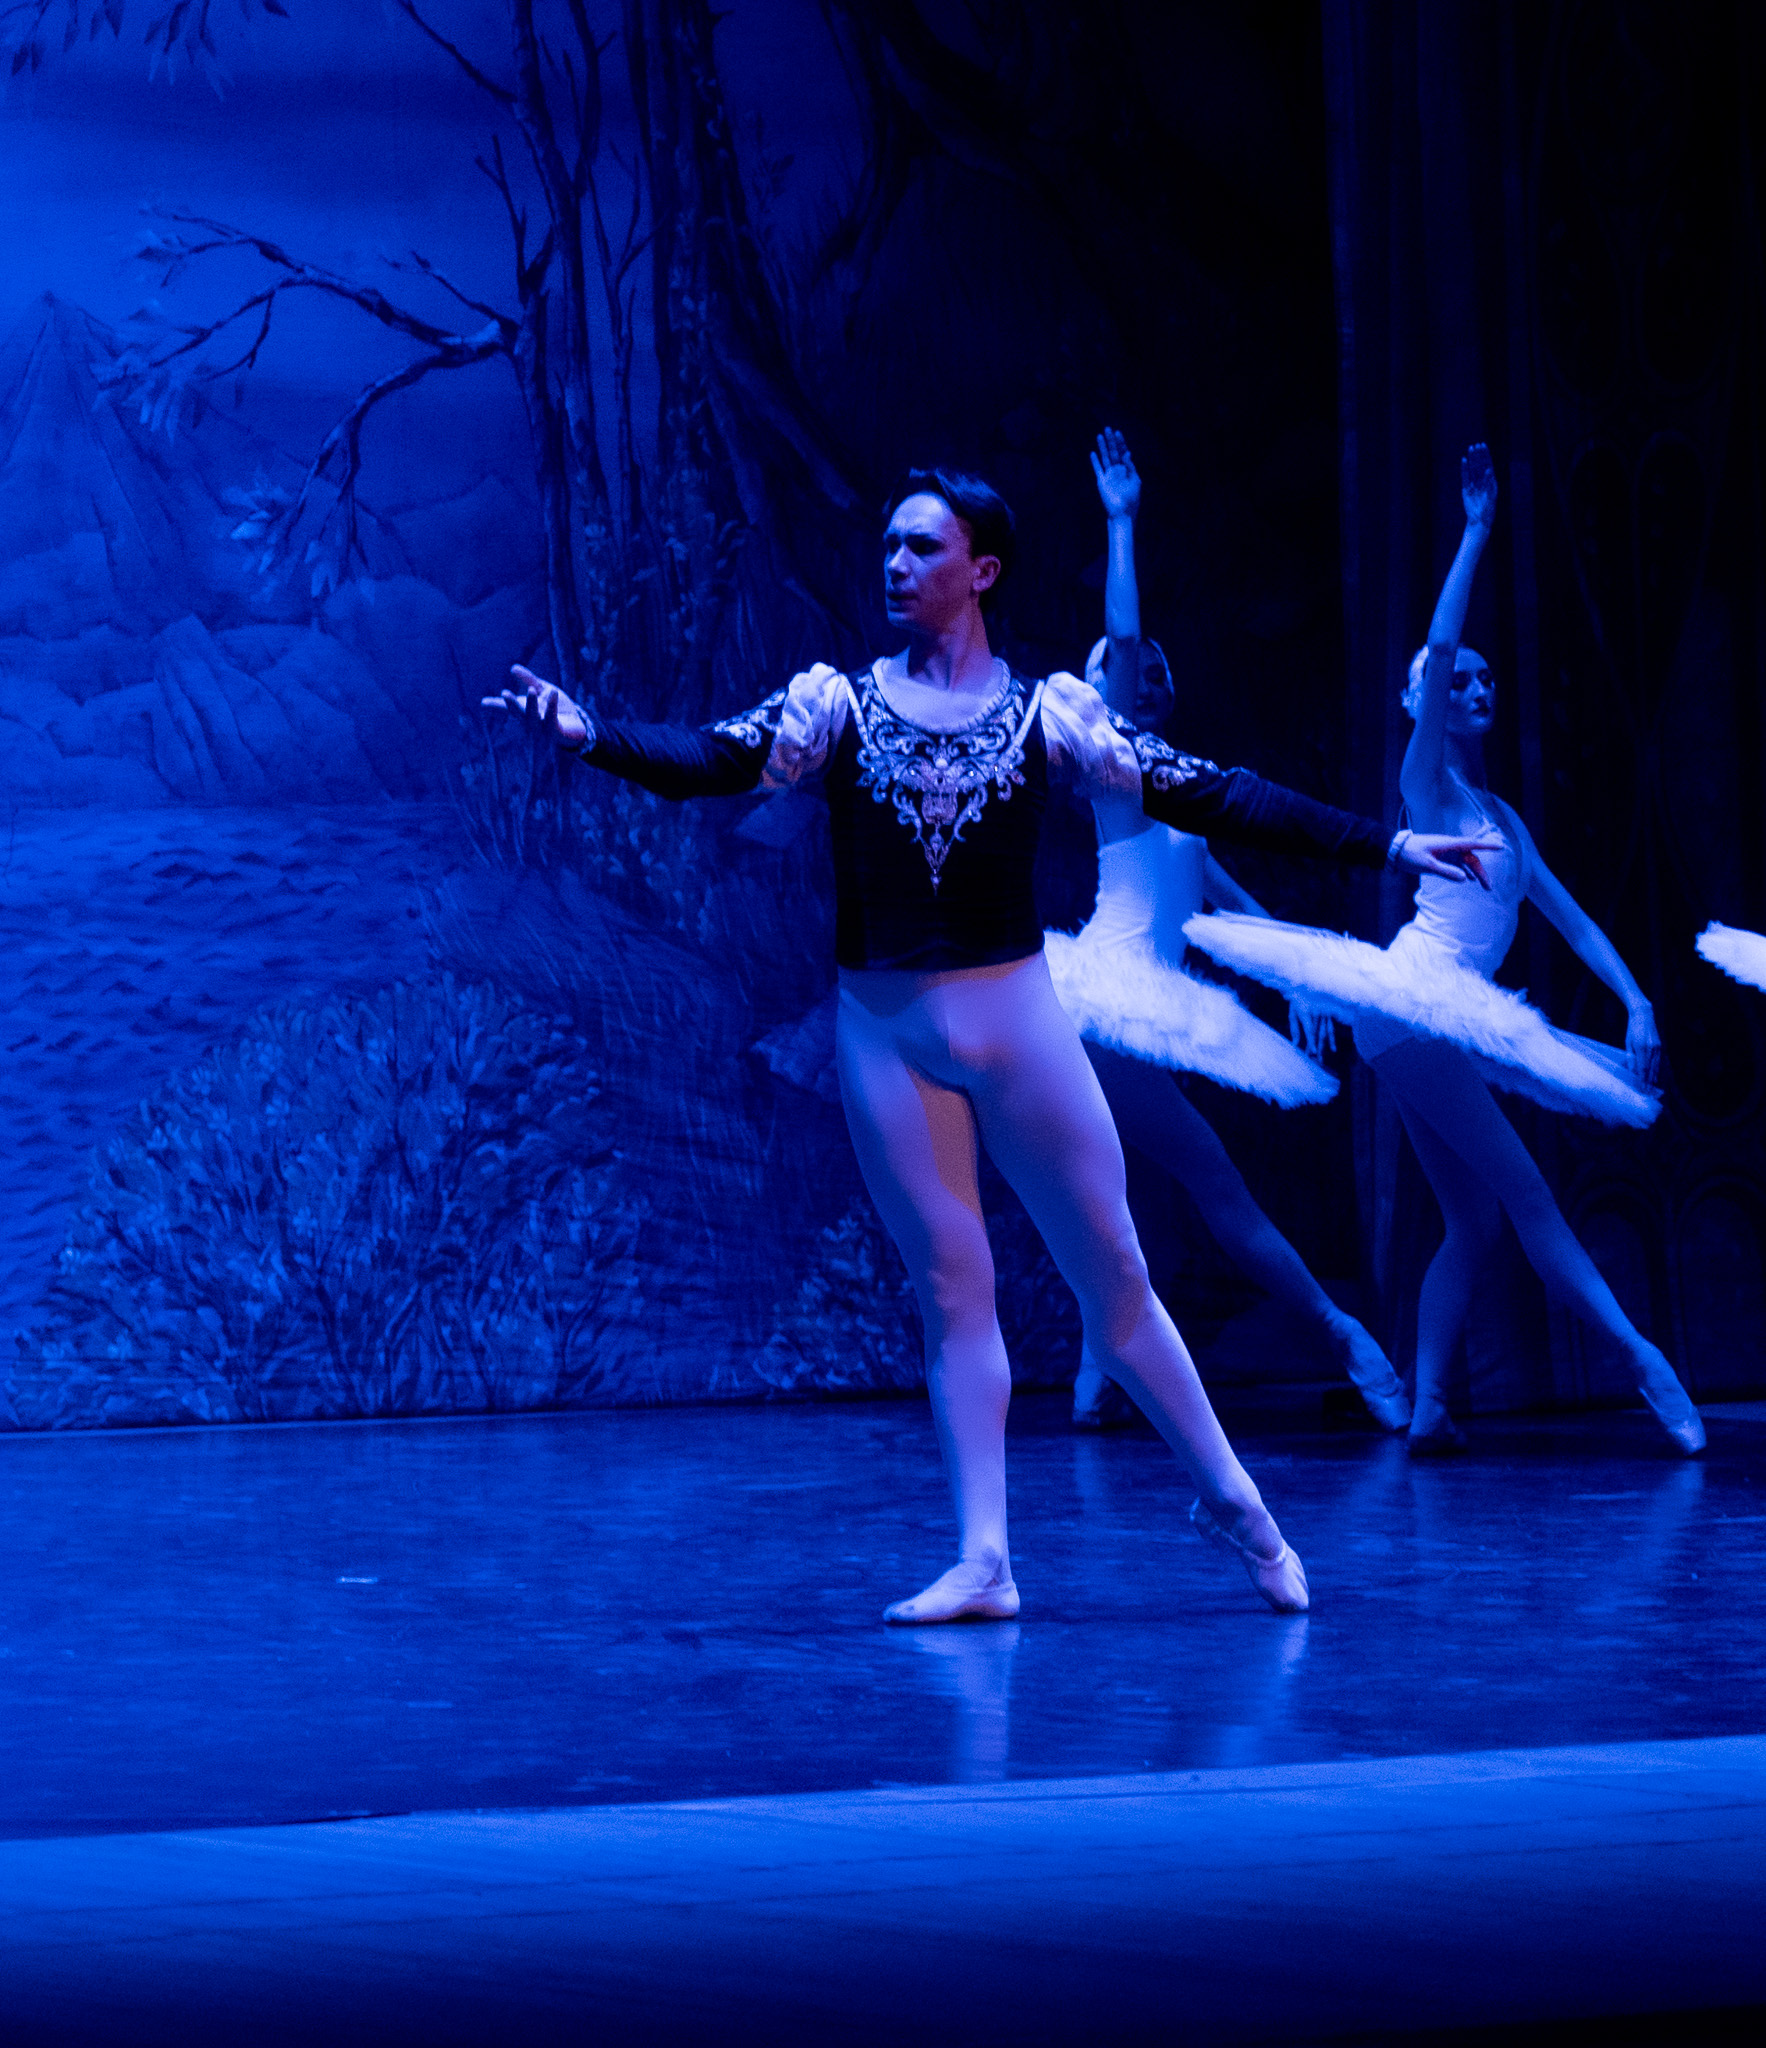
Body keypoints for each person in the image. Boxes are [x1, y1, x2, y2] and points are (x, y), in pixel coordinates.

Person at [484, 468, 1495, 1620]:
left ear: (981, 571)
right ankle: (984, 1559)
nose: (894, 563)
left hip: (1017, 1025)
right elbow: (709, 757)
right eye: (888, 544)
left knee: (1115, 1281)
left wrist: (1384, 847)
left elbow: (1211, 792)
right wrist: (590, 734)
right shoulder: (836, 708)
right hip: (885, 1034)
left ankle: (1238, 1503)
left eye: (921, 547)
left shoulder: (1046, 716)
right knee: (952, 1290)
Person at [1187, 446, 1703, 1457]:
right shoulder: (1425, 789)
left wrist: (1637, 1001)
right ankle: (1647, 1365)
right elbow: (1435, 641)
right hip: (1414, 1000)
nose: (1476, 685)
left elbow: (1574, 924)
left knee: (1473, 1223)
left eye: (1484, 678)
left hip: (1422, 1021)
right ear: (1421, 701)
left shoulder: (1502, 817)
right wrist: (1474, 531)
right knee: (1528, 1196)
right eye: (1456, 680)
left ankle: (1427, 1406)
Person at [1051, 430, 1409, 1433]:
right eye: (1120, 669)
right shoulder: (1112, 771)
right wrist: (1122, 521)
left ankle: (1097, 1370)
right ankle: (1344, 1336)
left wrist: (1296, 980)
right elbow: (1122, 638)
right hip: (1104, 1006)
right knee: (1208, 1186)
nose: (1139, 668)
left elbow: (1229, 904)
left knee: (1131, 1197)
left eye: (1151, 667)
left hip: (1136, 1012)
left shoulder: (1180, 800)